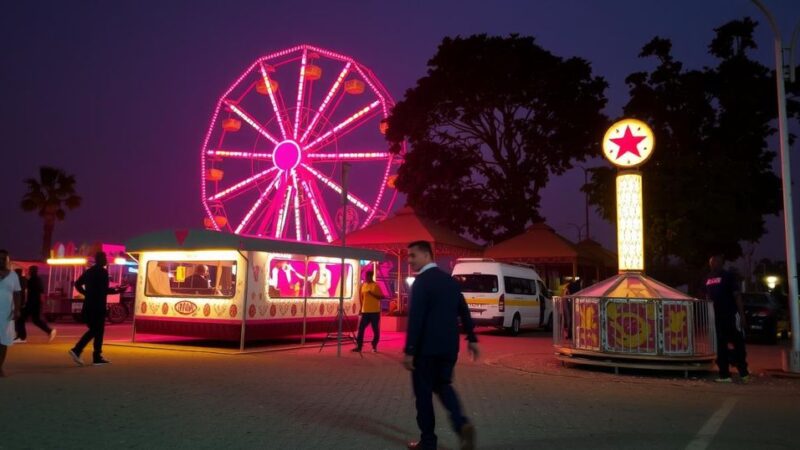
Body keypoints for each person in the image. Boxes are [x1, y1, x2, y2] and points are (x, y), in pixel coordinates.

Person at [403, 240, 479, 450]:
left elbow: (416, 319)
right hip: (448, 348)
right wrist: (472, 339)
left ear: (427, 256)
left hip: (425, 350)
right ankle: (461, 424)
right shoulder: (450, 282)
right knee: (444, 386)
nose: (409, 260)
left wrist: (409, 350)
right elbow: (464, 310)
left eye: (412, 256)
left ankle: (428, 442)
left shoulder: (421, 283)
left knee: (423, 396)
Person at [68, 252, 126, 366]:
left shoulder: (89, 271)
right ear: (101, 260)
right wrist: (117, 290)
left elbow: (77, 284)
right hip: (98, 306)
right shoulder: (103, 272)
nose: (106, 260)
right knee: (96, 330)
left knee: (96, 330)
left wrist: (86, 293)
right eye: (105, 258)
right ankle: (78, 350)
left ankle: (96, 356)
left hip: (88, 305)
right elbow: (104, 290)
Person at [705, 254, 749, 383]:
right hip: (716, 317)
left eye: (716, 261)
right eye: (711, 262)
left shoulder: (728, 276)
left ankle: (743, 372)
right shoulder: (707, 278)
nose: (714, 264)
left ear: (722, 263)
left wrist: (742, 316)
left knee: (738, 343)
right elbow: (707, 297)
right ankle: (724, 375)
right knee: (720, 345)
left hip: (730, 315)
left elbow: (737, 296)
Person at [14, 265, 56, 343]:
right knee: (36, 320)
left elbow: (28, 293)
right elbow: (41, 292)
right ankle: (50, 331)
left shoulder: (32, 280)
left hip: (32, 303)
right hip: (36, 303)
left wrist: (25, 303)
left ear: (31, 271)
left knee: (20, 319)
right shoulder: (37, 279)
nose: (28, 272)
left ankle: (22, 337)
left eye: (29, 270)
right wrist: (42, 303)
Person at [0, 250, 22, 377]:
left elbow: (17, 293)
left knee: (3, 341)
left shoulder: (13, 275)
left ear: (8, 260)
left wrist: (17, 309)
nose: (1, 261)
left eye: (4, 259)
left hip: (6, 313)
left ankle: (0, 366)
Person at [352, 270, 384, 353]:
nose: (366, 278)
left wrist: (372, 294)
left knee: (375, 329)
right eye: (365, 276)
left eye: (368, 276)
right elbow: (361, 297)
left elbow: (381, 297)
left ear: (371, 276)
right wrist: (361, 308)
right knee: (361, 328)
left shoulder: (375, 285)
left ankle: (374, 345)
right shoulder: (363, 285)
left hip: (374, 311)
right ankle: (359, 346)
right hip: (365, 311)